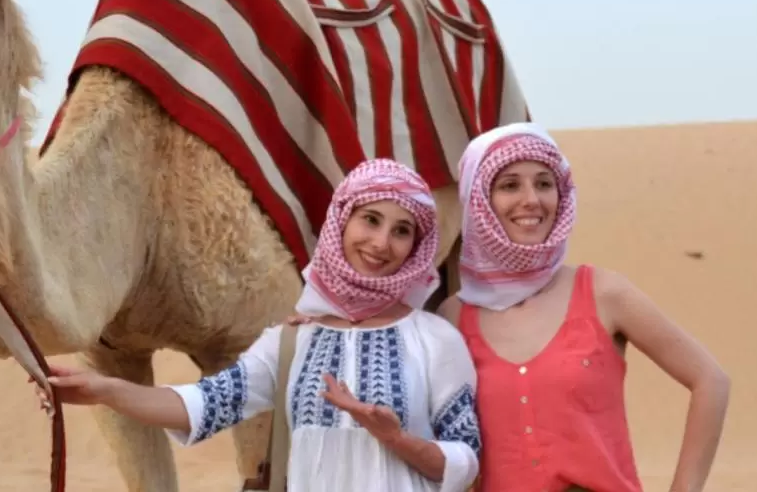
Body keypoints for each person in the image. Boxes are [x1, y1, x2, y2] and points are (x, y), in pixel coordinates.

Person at [34, 158, 481, 491]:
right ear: (341, 222)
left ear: (417, 246)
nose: (381, 242)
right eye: (370, 219)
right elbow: (203, 406)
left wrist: (399, 440)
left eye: (402, 231)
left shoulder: (435, 339)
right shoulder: (293, 340)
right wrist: (104, 390)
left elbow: (466, 458)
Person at [435, 122, 730, 492]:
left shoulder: (604, 293)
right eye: (510, 185)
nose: (531, 199)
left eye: (544, 183)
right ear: (478, 200)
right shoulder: (453, 318)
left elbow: (711, 380)